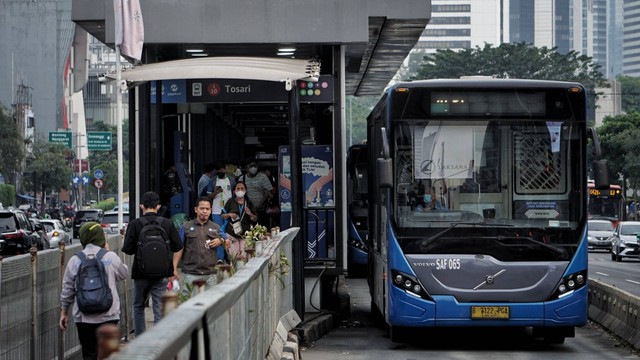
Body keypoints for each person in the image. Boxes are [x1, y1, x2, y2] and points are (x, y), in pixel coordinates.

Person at [59, 221, 128, 360]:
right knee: (108, 354)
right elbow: (124, 274)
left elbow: (67, 288)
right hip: (109, 314)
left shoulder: (75, 260)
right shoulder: (110, 257)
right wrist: (108, 252)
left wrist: (64, 311)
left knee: (89, 353)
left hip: (83, 316)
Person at [122, 191, 183, 336]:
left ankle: (140, 339)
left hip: (140, 273)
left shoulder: (135, 224)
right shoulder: (167, 223)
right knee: (158, 307)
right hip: (162, 273)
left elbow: (128, 250)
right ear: (158, 206)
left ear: (141, 206)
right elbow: (178, 246)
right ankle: (158, 340)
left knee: (138, 306)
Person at [171, 197, 230, 290]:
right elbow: (179, 248)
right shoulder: (186, 226)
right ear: (196, 209)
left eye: (207, 209)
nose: (204, 211)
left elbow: (228, 243)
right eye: (202, 208)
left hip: (210, 275)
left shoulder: (216, 227)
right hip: (190, 273)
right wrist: (174, 268)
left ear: (211, 210)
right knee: (190, 302)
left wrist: (221, 240)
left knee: (210, 303)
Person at [222, 181, 258, 256]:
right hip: (231, 233)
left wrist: (250, 214)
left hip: (245, 234)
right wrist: (229, 214)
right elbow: (222, 215)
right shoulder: (230, 201)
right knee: (234, 258)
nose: (240, 190)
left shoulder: (249, 203)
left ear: (245, 190)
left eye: (242, 188)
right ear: (234, 191)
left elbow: (255, 219)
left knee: (244, 257)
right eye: (238, 189)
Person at [239, 160, 274, 227]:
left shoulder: (263, 177)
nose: (253, 168)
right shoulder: (242, 178)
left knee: (262, 229)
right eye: (251, 166)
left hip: (261, 210)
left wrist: (260, 205)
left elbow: (268, 192)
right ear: (247, 168)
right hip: (247, 210)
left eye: (255, 166)